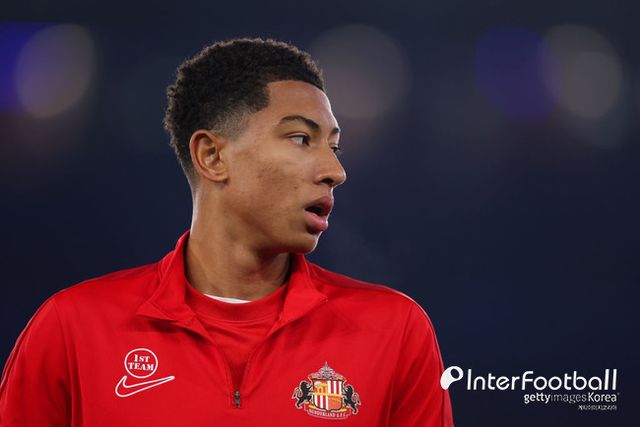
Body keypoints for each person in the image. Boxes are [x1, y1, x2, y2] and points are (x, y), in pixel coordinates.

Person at [0, 37, 454, 426]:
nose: (335, 171)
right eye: (301, 139)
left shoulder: (394, 330)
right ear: (212, 156)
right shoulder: (72, 328)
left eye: (334, 147)